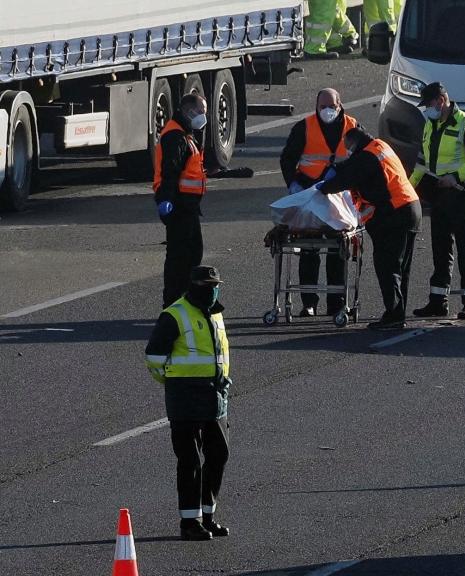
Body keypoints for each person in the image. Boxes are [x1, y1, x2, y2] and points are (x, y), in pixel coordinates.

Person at [145, 265, 232, 541]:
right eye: (206, 287)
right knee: (190, 460)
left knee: (219, 454)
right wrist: (175, 384)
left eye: (215, 285)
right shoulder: (174, 315)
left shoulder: (216, 314)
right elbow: (154, 358)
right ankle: (189, 521)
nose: (211, 290)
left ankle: (208, 515)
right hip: (185, 398)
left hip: (215, 396)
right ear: (193, 287)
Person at [319, 126, 421, 330]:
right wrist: (339, 167)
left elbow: (342, 181)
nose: (346, 150)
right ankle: (397, 313)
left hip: (394, 215)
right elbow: (351, 167)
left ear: (355, 144)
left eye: (347, 147)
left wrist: (320, 187)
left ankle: (393, 315)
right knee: (400, 267)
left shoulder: (366, 158)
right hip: (409, 209)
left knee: (388, 266)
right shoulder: (378, 146)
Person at [409, 82, 465, 320]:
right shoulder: (430, 125)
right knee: (440, 249)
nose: (427, 109)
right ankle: (437, 302)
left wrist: (455, 177)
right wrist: (408, 189)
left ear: (441, 101)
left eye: (430, 104)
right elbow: (422, 162)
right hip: (440, 194)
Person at [279, 88, 360, 317]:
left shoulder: (352, 127)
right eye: (322, 106)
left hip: (339, 197)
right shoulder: (304, 127)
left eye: (331, 106)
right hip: (310, 194)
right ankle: (309, 303)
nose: (327, 111)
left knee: (338, 248)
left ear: (339, 105)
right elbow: (287, 159)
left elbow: (363, 160)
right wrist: (293, 185)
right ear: (316, 106)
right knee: (309, 249)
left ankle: (336, 303)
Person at [154, 94, 208, 309]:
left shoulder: (185, 133)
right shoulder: (175, 136)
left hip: (188, 206)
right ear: (188, 111)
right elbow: (170, 171)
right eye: (201, 112)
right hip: (179, 206)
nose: (203, 117)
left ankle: (184, 299)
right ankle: (174, 302)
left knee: (193, 252)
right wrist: (166, 199)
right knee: (180, 257)